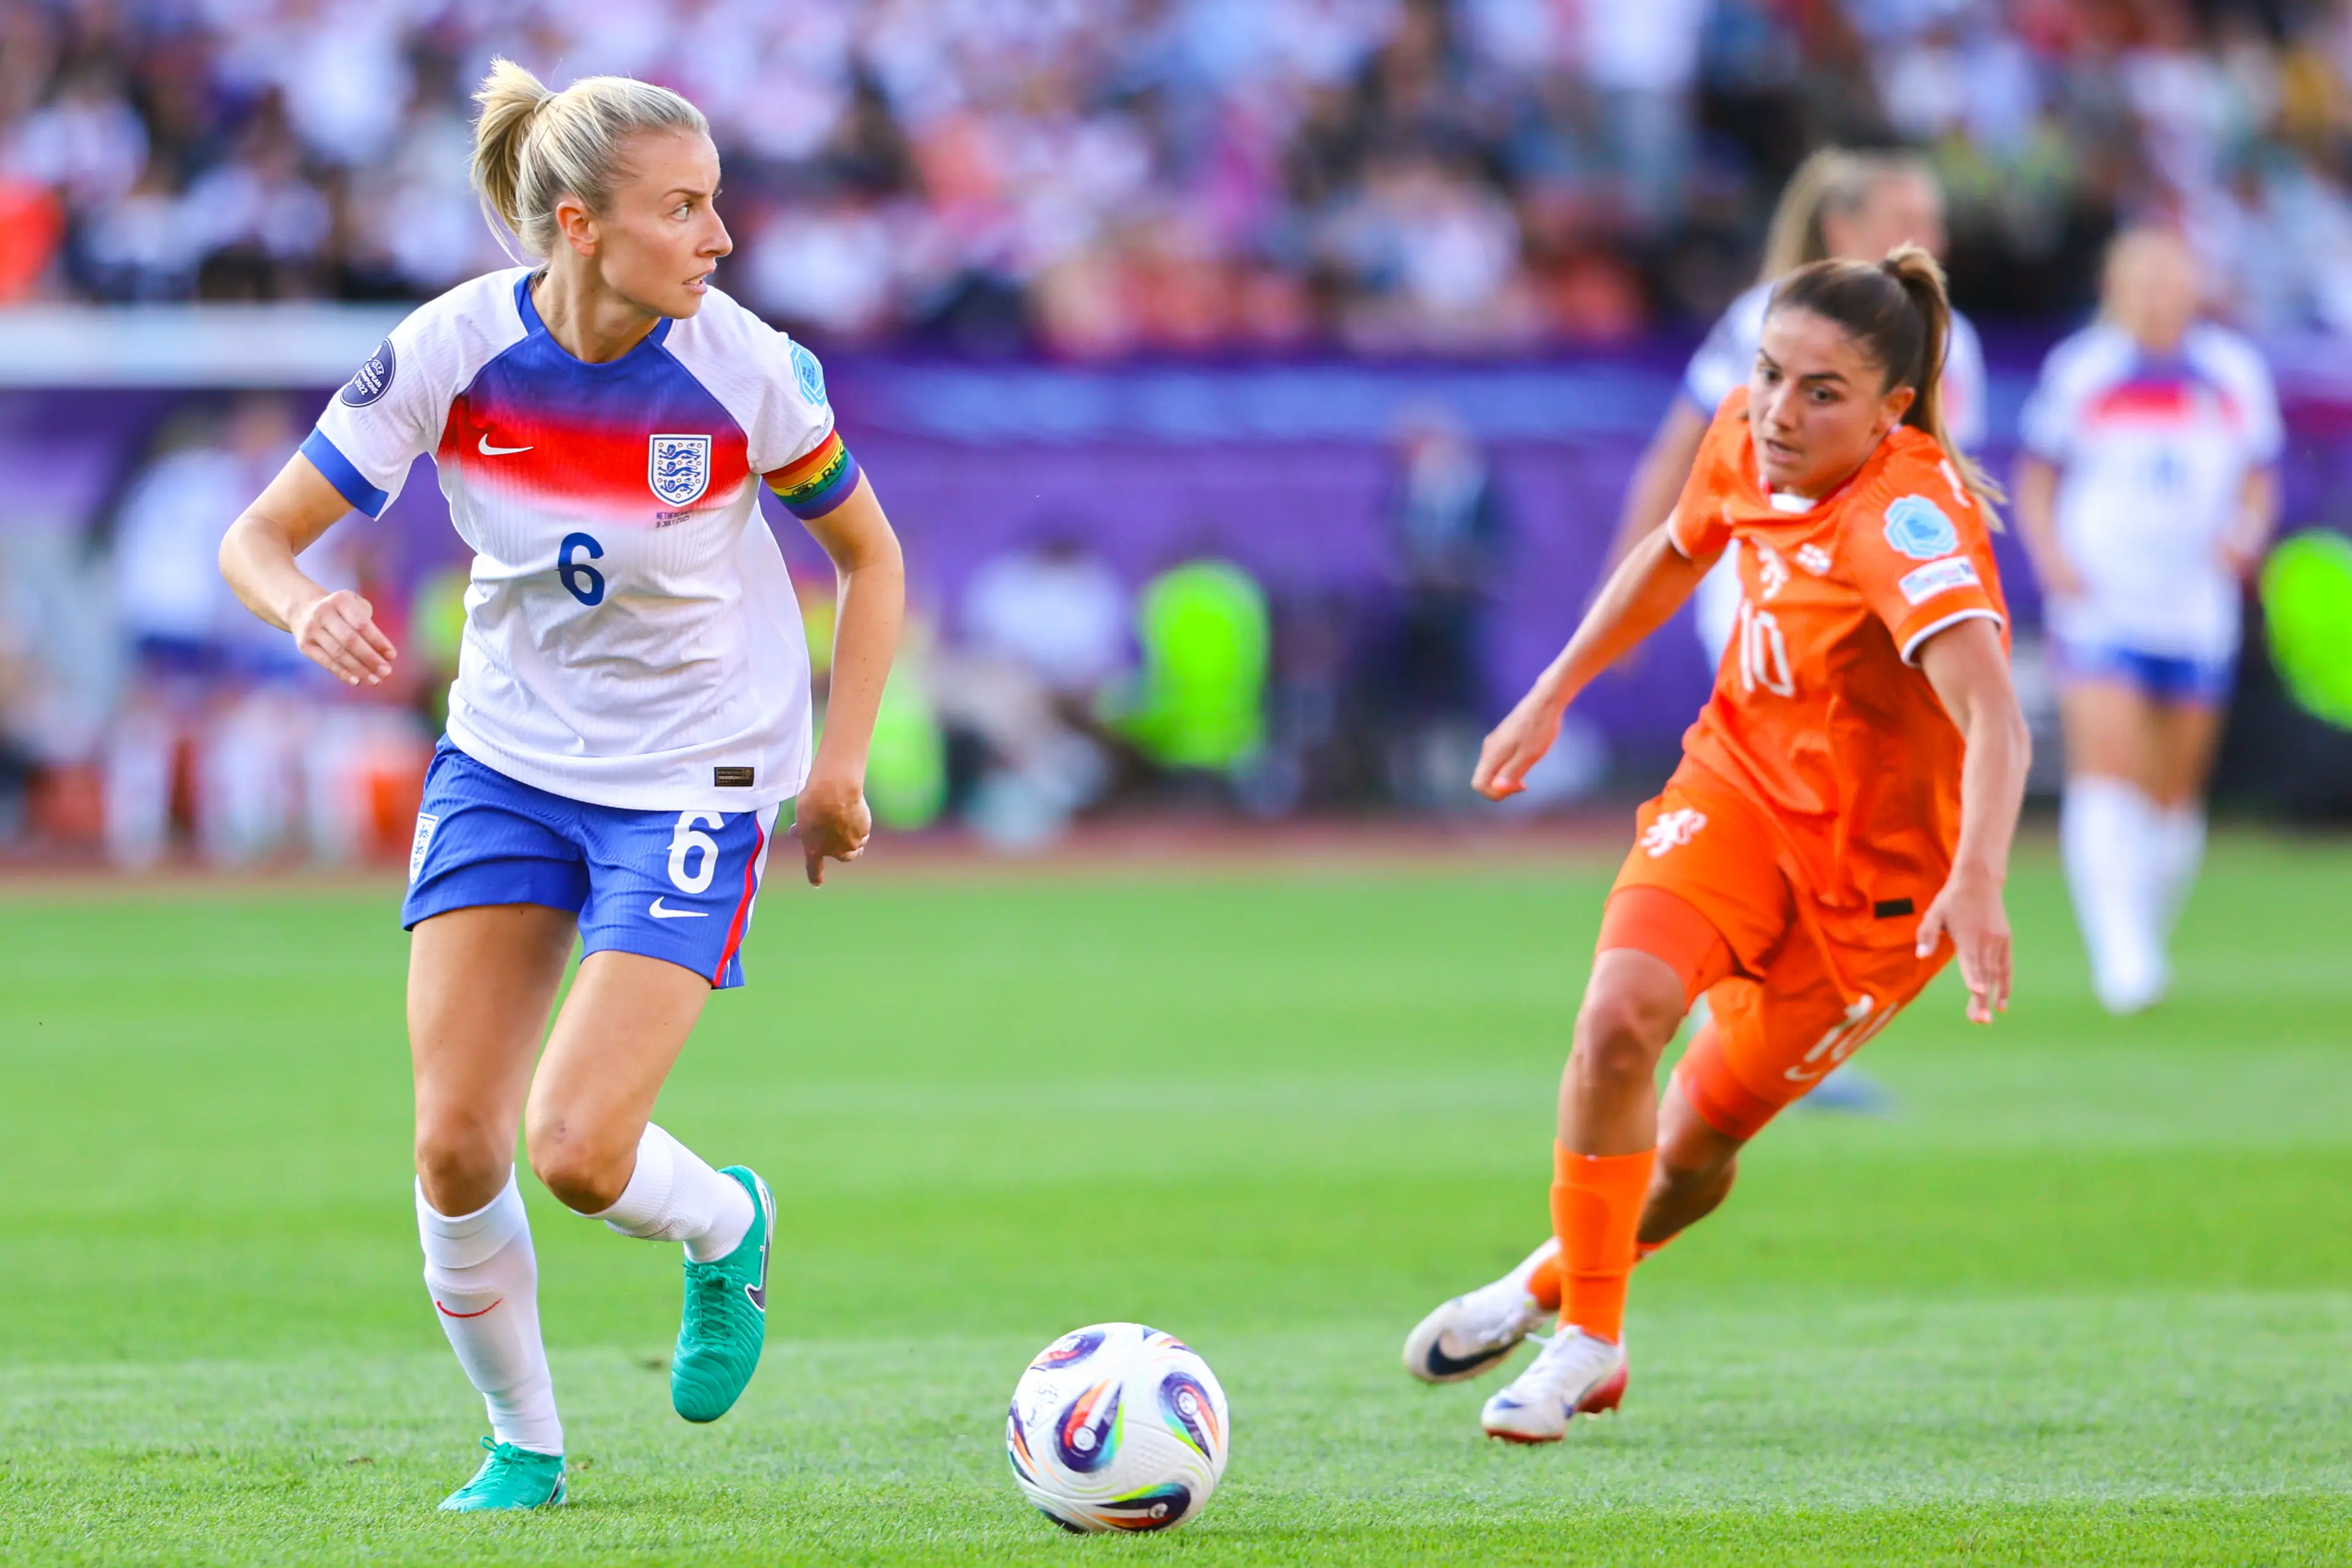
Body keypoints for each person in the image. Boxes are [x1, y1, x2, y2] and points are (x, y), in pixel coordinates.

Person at [217, 62, 903, 1510]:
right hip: (508, 761)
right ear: (584, 226)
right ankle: (524, 1442)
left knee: (580, 1149)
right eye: (687, 208)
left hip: (696, 773)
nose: (719, 238)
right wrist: (305, 609)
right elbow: (260, 539)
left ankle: (725, 1224)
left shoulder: (743, 367)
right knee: (455, 1140)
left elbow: (870, 555)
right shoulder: (452, 350)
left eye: (718, 204)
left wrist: (838, 763)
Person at [1399, 247, 2030, 1442]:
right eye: (1770, 373)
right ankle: (1589, 1335)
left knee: (1692, 1150)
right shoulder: (1746, 432)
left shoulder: (1906, 517)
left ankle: (1540, 1285)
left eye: (1822, 391)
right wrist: (1553, 691)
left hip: (1878, 899)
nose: (1782, 410)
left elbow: (1996, 715)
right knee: (1619, 1013)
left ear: (1893, 406)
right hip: (1733, 794)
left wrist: (1979, 876)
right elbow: (1676, 550)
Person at [2013, 228, 2281, 1014]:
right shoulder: (2083, 370)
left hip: (2194, 606)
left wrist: (2243, 538)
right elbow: (2036, 479)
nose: (2161, 295)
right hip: (2104, 597)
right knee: (2109, 763)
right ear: (2115, 289)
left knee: (2174, 790)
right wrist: (2054, 559)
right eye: (2145, 281)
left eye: (2175, 280)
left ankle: (2144, 930)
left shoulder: (2232, 371)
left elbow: (2258, 480)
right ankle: (2119, 956)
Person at [1605, 148, 1987, 662]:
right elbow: (1680, 453)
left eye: (1932, 223)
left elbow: (1952, 491)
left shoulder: (1952, 343)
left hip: (1895, 609)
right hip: (1774, 603)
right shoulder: (1769, 320)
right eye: (1904, 222)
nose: (1929, 241)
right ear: (1842, 230)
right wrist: (1625, 595)